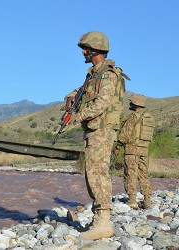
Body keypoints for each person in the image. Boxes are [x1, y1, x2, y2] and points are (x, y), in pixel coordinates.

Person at [64, 31, 128, 240]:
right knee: (91, 173)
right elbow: (81, 92)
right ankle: (99, 219)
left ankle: (103, 222)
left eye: (86, 49)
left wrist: (77, 117)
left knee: (97, 174)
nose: (83, 52)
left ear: (95, 50)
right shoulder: (93, 75)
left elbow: (102, 103)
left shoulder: (108, 75)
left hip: (101, 130)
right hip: (94, 131)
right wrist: (71, 97)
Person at [115, 94, 155, 209]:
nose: (130, 104)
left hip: (132, 150)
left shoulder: (133, 117)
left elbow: (125, 134)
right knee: (143, 175)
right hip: (144, 150)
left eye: (131, 102)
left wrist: (118, 146)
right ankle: (147, 201)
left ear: (136, 104)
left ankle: (132, 201)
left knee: (130, 174)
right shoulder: (150, 118)